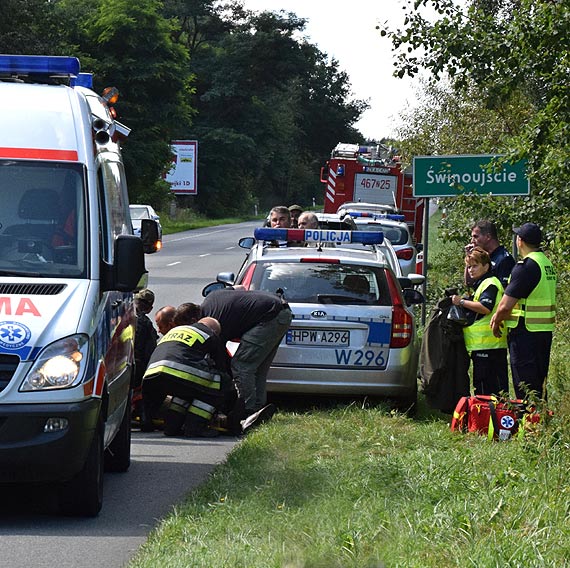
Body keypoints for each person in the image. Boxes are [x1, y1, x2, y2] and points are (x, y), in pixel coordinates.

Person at [201, 287, 293, 426]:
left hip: (270, 316)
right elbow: (240, 288)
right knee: (257, 368)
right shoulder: (211, 300)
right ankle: (258, 410)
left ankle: (246, 412)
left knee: (241, 365)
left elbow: (219, 359)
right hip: (281, 311)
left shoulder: (212, 322)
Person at [490, 223, 556, 400]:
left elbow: (506, 305)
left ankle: (527, 423)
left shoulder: (526, 266)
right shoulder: (546, 263)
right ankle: (540, 421)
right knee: (538, 382)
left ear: (521, 241)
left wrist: (496, 322)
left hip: (525, 333)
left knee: (524, 384)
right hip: (543, 332)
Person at [141, 314, 230, 437]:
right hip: (179, 372)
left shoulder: (176, 330)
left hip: (152, 374)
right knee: (221, 381)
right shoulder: (209, 334)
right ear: (214, 330)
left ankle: (171, 426)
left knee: (187, 389)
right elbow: (221, 366)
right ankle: (195, 427)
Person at [451, 247, 508, 395]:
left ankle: (491, 417)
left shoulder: (490, 283)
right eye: (469, 266)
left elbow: (485, 307)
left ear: (486, 266)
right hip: (484, 346)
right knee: (486, 388)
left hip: (489, 346)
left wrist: (461, 302)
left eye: (475, 266)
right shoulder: (482, 283)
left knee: (487, 389)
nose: (471, 270)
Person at [466, 220, 515, 288]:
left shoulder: (504, 259)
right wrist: (469, 257)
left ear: (488, 237)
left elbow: (505, 290)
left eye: (476, 237)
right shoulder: (483, 257)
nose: (472, 241)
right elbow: (469, 283)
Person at [133, 289, 158, 389]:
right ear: (150, 309)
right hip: (137, 371)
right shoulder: (146, 324)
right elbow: (150, 352)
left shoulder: (121, 316)